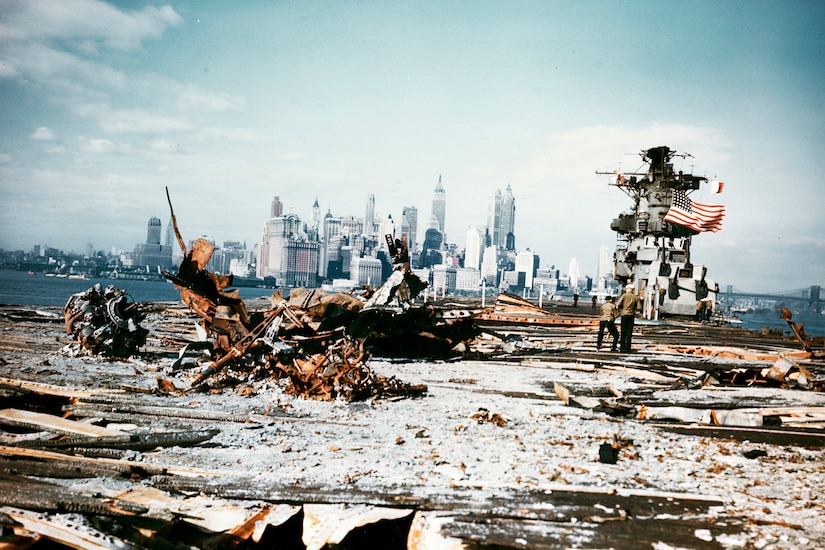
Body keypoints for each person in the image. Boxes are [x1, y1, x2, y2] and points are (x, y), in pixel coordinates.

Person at [615, 284, 641, 352]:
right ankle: (628, 348)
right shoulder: (636, 297)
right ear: (632, 290)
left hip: (624, 314)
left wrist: (622, 308)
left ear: (628, 289)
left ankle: (622, 347)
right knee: (629, 333)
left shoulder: (624, 296)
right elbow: (639, 307)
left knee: (623, 332)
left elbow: (617, 304)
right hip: (631, 315)